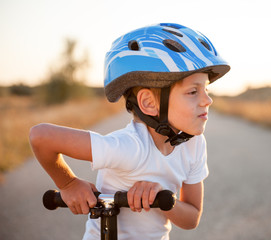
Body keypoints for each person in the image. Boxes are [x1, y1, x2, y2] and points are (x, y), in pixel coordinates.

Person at [29, 23, 230, 239]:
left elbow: (191, 219)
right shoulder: (129, 147)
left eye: (206, 89)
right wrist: (68, 184)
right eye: (193, 91)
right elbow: (41, 136)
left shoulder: (194, 145)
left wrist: (161, 197)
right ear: (149, 103)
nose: (207, 100)